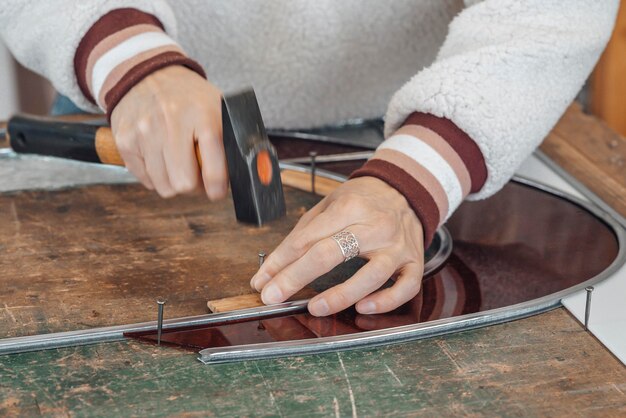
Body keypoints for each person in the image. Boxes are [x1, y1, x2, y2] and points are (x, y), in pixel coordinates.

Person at [0, 1, 617, 317]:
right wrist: (128, 58)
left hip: (418, 126)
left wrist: (413, 179)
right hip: (124, 88)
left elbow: (546, 10)